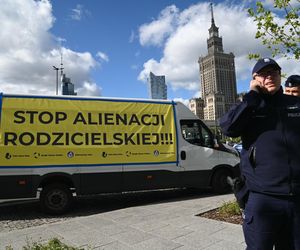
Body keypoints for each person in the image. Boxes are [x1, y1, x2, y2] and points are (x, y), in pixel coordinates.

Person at [220, 58, 300, 249]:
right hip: (263, 198)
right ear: (255, 79)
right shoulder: (250, 106)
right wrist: (253, 96)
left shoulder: (295, 103)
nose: (270, 76)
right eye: (264, 73)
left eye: (274, 72)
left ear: (280, 76)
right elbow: (228, 128)